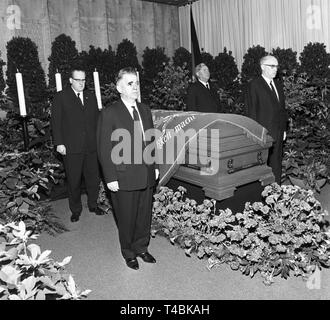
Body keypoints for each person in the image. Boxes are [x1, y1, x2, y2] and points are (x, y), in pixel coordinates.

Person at [97, 67, 159, 270]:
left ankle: (142, 247)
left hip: (146, 172)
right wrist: (110, 177)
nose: (135, 87)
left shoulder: (145, 110)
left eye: (137, 83)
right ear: (119, 87)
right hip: (123, 175)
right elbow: (104, 148)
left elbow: (150, 139)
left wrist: (155, 165)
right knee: (126, 216)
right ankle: (129, 252)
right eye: (130, 83)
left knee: (144, 214)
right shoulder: (109, 113)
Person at [51, 67, 103, 223]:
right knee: (73, 180)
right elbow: (56, 122)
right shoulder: (61, 97)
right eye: (78, 80)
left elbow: (97, 120)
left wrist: (100, 140)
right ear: (70, 80)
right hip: (71, 147)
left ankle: (93, 205)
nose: (81, 83)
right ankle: (75, 210)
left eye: (84, 80)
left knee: (93, 178)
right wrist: (59, 143)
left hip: (91, 146)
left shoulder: (91, 96)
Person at [245, 55, 288, 183]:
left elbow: (282, 109)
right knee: (263, 165)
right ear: (263, 67)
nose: (276, 69)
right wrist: (255, 133)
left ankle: (277, 190)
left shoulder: (278, 84)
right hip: (263, 133)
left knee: (276, 163)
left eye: (277, 66)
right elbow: (251, 111)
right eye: (272, 66)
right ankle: (263, 195)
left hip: (278, 132)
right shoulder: (254, 85)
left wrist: (284, 129)